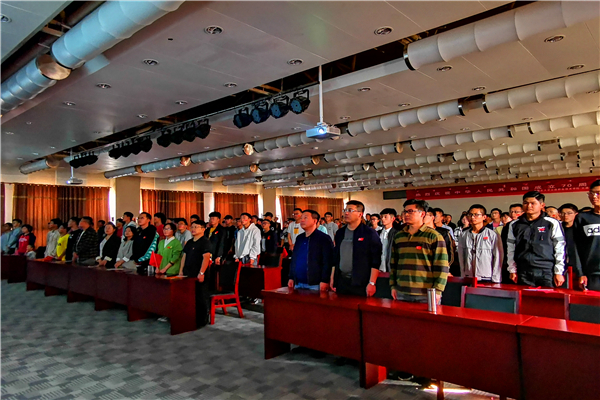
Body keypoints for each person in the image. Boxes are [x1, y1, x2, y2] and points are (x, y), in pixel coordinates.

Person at [390, 199, 448, 304]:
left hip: (426, 293)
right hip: (402, 291)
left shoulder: (433, 236)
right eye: (405, 211)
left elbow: (442, 265)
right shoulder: (399, 236)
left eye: (410, 211)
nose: (406, 214)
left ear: (422, 214)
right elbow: (394, 263)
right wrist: (393, 285)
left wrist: (438, 290)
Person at [507, 191, 566, 287]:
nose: (529, 206)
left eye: (533, 203)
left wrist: (558, 271)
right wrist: (512, 269)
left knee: (547, 296)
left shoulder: (552, 223)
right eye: (525, 203)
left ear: (542, 205)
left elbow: (560, 248)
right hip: (523, 270)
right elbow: (510, 248)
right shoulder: (514, 225)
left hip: (546, 271)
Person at [331, 201, 382, 297]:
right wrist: (332, 278)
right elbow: (336, 257)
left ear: (360, 214)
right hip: (342, 281)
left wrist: (372, 283)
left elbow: (376, 260)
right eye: (345, 210)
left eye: (350, 210)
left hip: (361, 282)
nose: (346, 213)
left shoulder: (369, 233)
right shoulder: (340, 233)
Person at [288, 210, 333, 290]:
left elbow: (328, 261)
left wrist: (325, 280)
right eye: (301, 218)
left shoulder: (324, 238)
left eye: (305, 218)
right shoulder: (299, 238)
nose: (302, 220)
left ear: (315, 221)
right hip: (298, 283)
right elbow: (294, 259)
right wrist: (291, 277)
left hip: (316, 284)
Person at [179, 220, 212, 327]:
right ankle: (190, 317)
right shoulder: (189, 242)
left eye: (196, 227)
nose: (193, 229)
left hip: (199, 273)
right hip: (188, 272)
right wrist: (181, 271)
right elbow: (184, 256)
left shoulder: (205, 242)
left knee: (200, 297)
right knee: (189, 296)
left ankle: (202, 320)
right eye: (192, 227)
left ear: (203, 229)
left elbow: (206, 258)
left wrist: (201, 272)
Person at [458, 204, 502, 283]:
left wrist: (496, 278)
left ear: (484, 217)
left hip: (486, 276)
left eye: (476, 215)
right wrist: (463, 275)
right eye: (470, 214)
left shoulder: (492, 235)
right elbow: (461, 256)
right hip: (469, 276)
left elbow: (498, 257)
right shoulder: (463, 235)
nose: (472, 217)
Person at [573, 179, 600, 290]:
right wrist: (580, 273)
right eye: (591, 193)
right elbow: (575, 247)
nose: (594, 197)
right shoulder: (582, 218)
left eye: (598, 193)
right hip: (592, 274)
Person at [500, 204, 524, 283]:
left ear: (523, 212)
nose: (513, 214)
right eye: (511, 212)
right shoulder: (507, 226)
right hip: (508, 259)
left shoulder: (525, 225)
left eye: (516, 212)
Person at [559, 203, 580, 282]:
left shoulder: (579, 228)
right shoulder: (557, 228)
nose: (566, 215)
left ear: (576, 214)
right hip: (562, 263)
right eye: (563, 213)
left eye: (569, 213)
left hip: (578, 262)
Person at [379, 208, 399, 273]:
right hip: (378, 267)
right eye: (381, 217)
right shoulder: (378, 233)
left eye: (385, 217)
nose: (383, 219)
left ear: (393, 219)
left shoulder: (396, 234)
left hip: (390, 268)